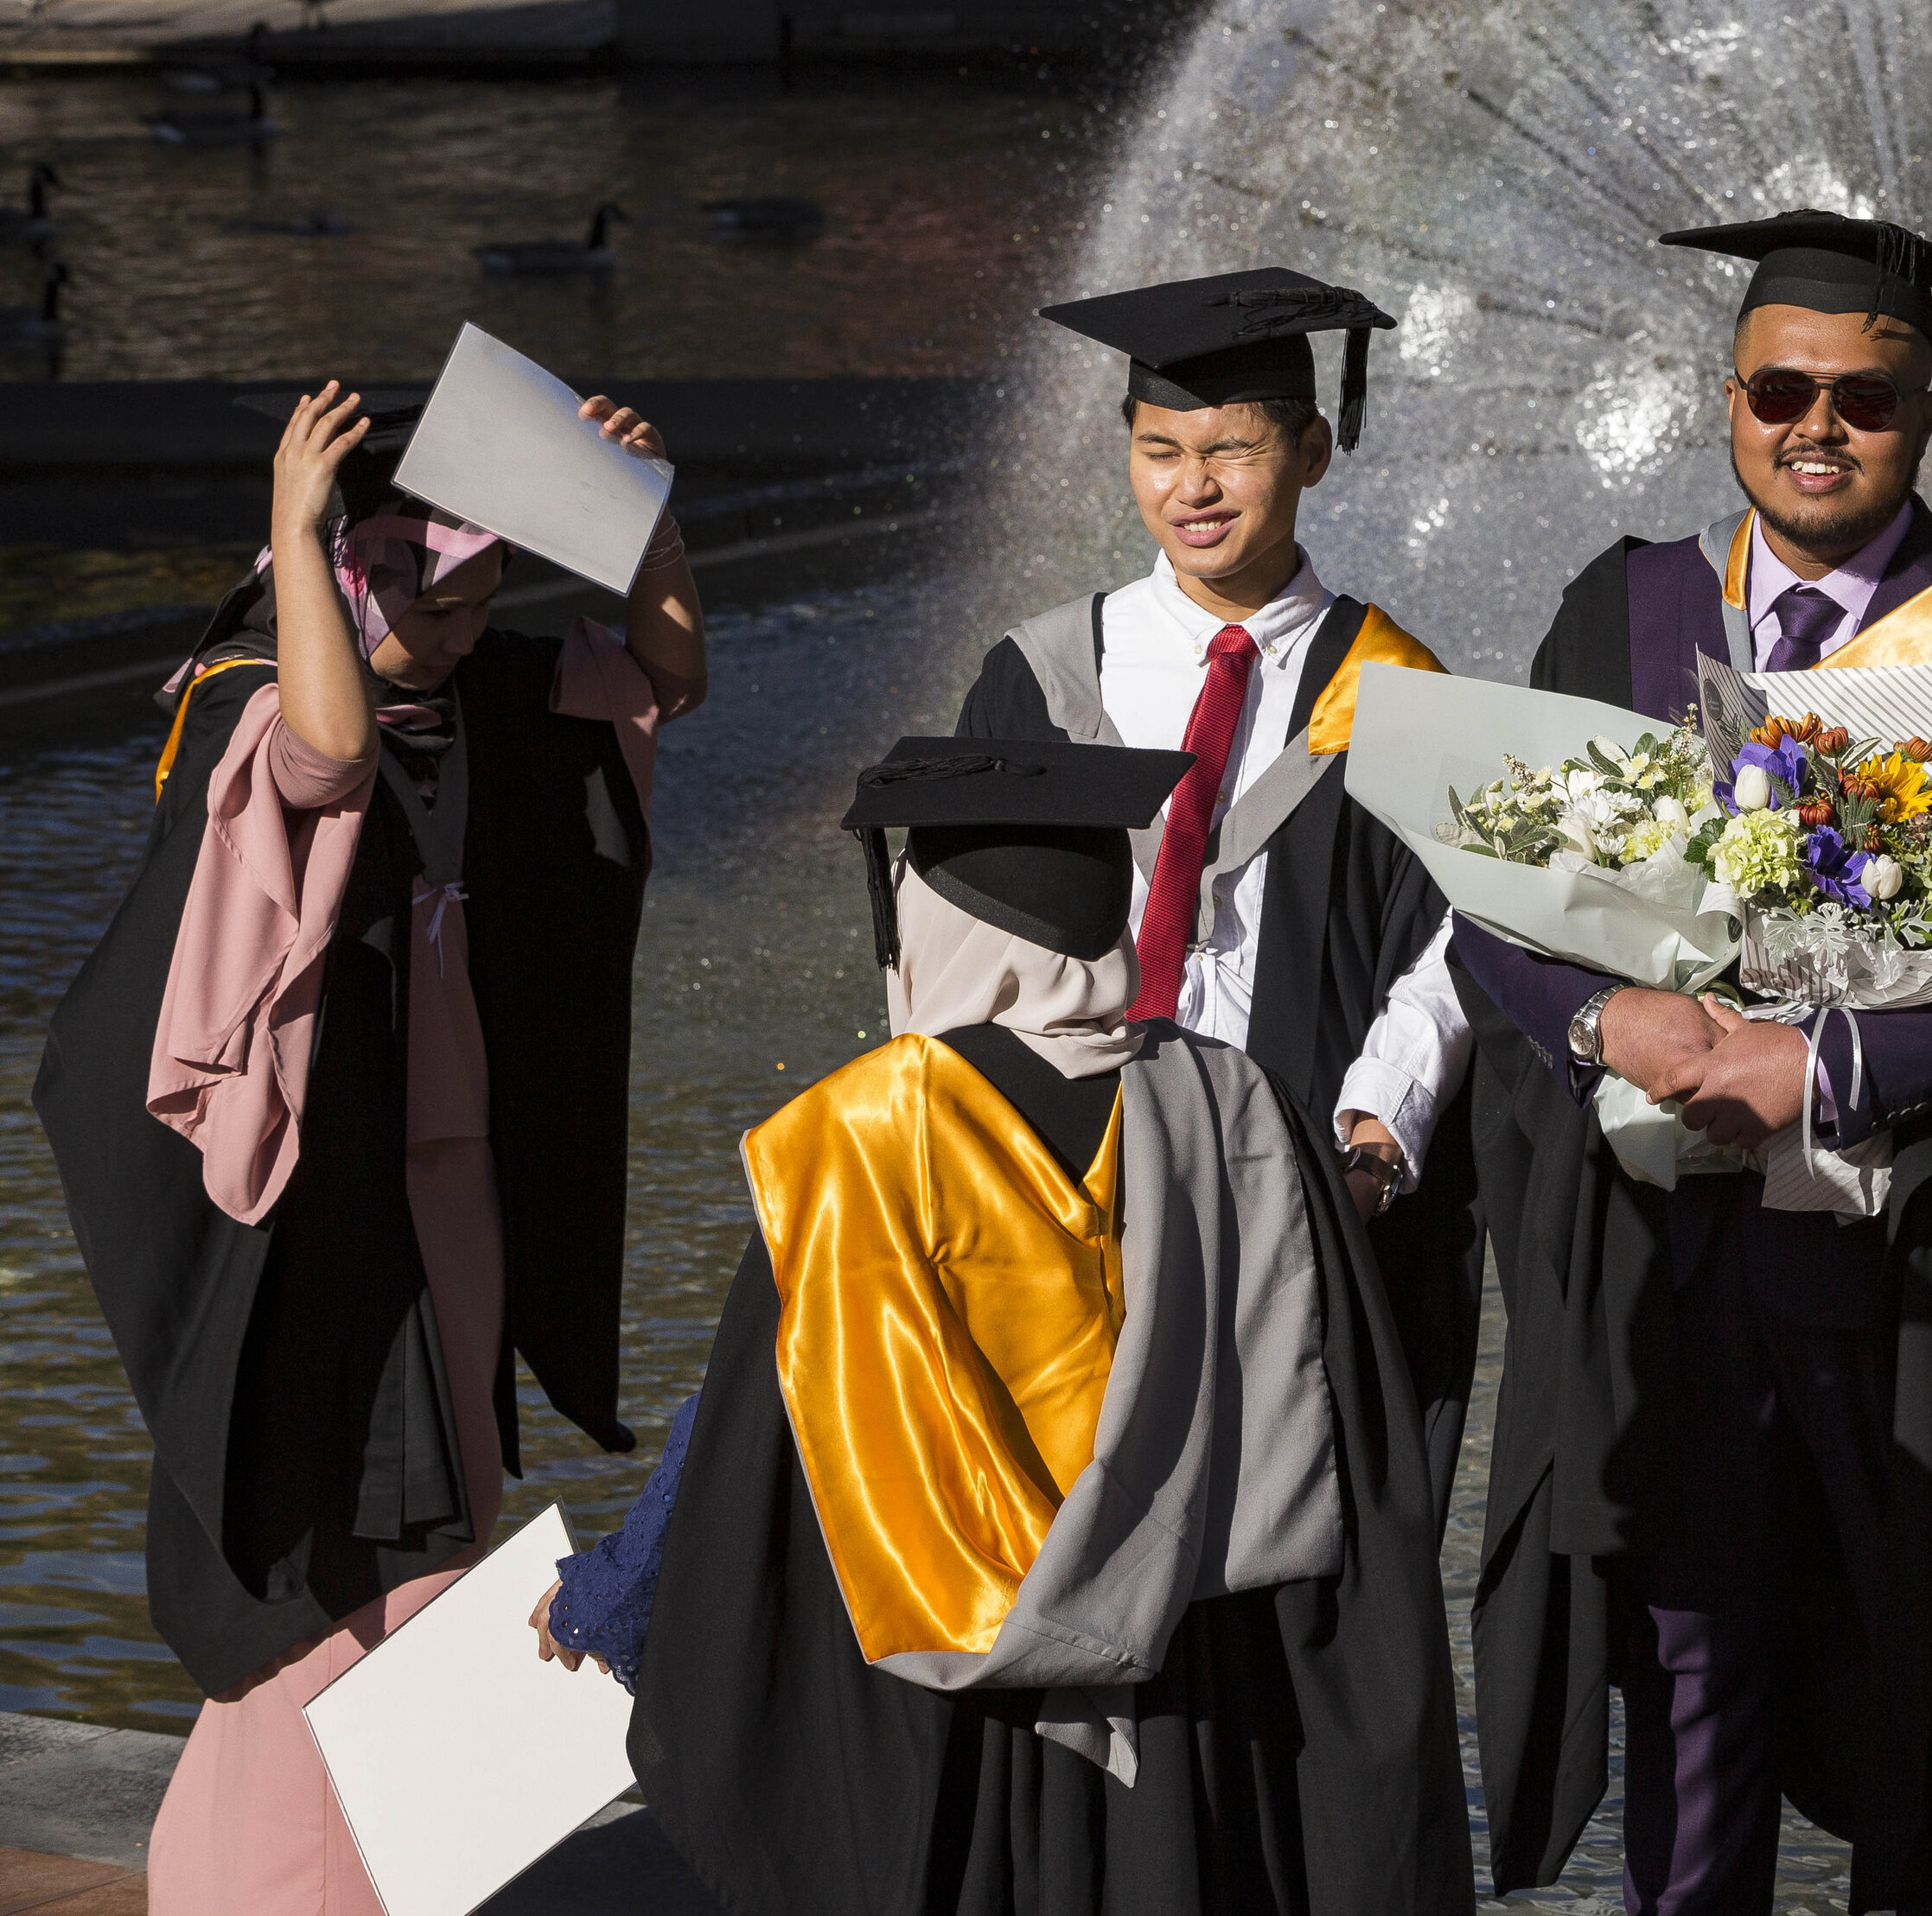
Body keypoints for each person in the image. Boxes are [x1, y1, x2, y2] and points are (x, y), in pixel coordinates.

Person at [1453, 208, 1932, 1916]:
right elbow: (1490, 894)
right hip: (1674, 1273)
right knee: (1692, 1694)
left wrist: (1830, 1066)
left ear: (1926, 416)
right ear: (1727, 399)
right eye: (1780, 389)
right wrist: (1590, 1016)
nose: (1815, 425)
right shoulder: (1622, 612)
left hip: (1907, 1264)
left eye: (1864, 396)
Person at [533, 735, 1470, 1916]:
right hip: (1196, 1707)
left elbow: (750, 1438)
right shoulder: (1243, 1107)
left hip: (937, 1725)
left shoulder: (857, 1140)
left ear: (936, 924)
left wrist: (610, 1593)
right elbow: (1356, 1436)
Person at [35, 378, 701, 1914]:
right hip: (310, 1207)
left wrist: (638, 515)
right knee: (327, 1554)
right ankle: (286, 1873)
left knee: (442, 1508)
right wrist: (293, 519)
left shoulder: (485, 697)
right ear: (335, 575)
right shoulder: (263, 702)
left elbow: (670, 664)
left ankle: (399, 1849)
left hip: (451, 1189)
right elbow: (329, 751)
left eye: (476, 591)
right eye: (417, 588)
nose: (453, 625)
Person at [953, 267, 1477, 1519]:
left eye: (1232, 452)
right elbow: (966, 938)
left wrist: (1376, 1137)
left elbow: (1456, 945)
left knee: (1295, 1539)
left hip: (1300, 1188)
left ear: (1311, 450)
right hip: (1075, 1186)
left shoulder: (1395, 687)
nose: (1192, 487)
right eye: (1159, 450)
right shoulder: (1041, 676)